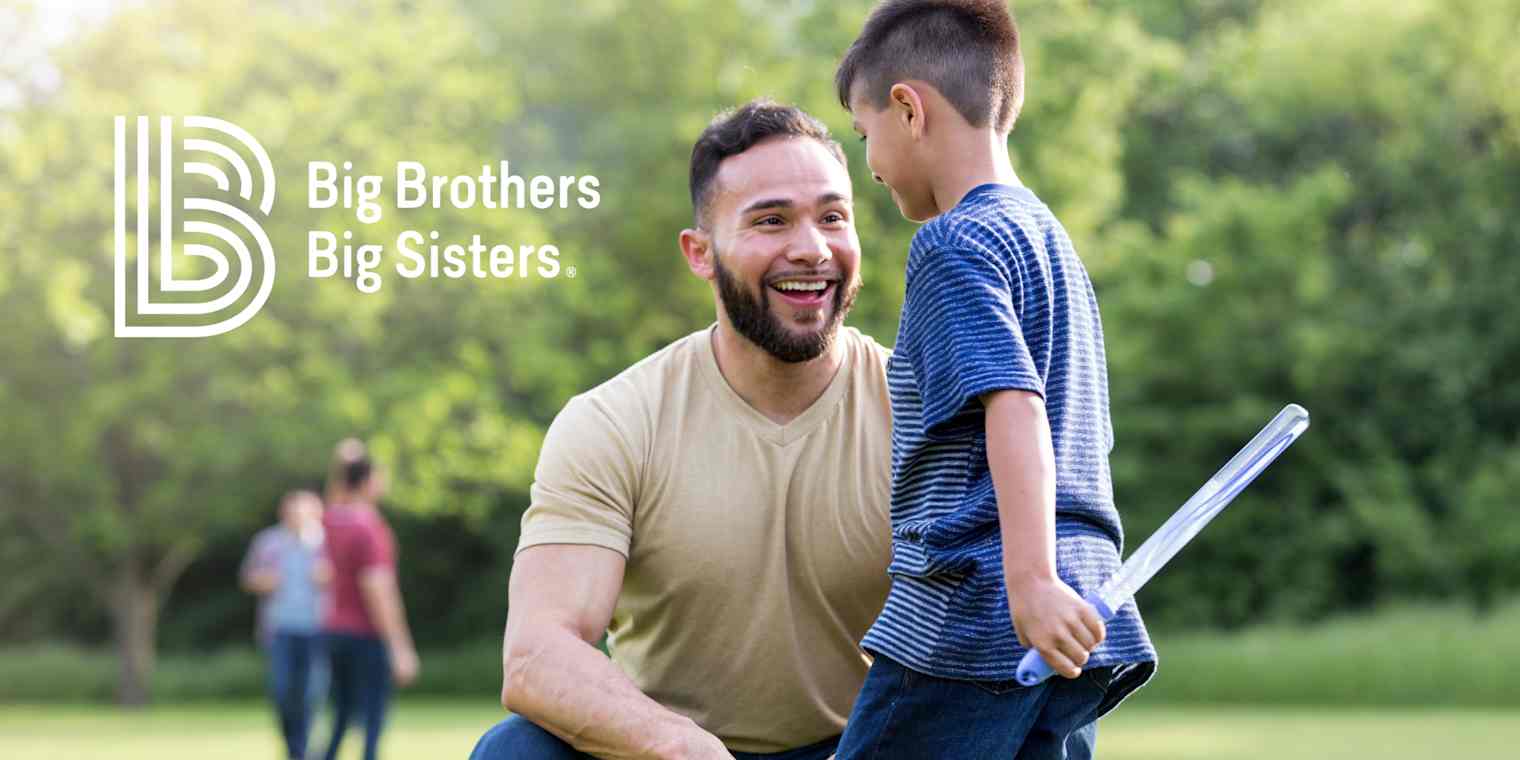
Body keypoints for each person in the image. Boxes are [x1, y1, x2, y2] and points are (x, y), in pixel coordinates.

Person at [469, 100, 894, 760]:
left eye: (833, 218)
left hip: (860, 747)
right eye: (771, 220)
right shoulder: (614, 423)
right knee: (516, 753)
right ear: (700, 253)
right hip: (666, 750)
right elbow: (536, 654)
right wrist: (677, 745)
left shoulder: (920, 412)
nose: (811, 249)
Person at [830, 2, 1157, 758]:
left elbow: (1017, 406)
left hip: (979, 610)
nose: (868, 163)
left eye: (863, 132)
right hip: (1084, 607)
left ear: (908, 109)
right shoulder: (1049, 240)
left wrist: (1030, 580)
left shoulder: (951, 244)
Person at [320, 441, 420, 760]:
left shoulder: (331, 521)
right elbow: (378, 589)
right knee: (374, 719)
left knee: (340, 717)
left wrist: (341, 464)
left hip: (334, 630)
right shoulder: (370, 528)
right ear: (367, 481)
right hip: (366, 633)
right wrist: (399, 646)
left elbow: (334, 496)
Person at [241, 490, 328, 760]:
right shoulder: (268, 542)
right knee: (282, 693)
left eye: (302, 514)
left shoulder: (327, 543)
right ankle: (294, 749)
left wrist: (328, 577)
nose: (297, 519)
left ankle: (305, 751)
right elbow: (248, 577)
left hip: (318, 629)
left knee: (311, 694)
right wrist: (263, 580)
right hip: (279, 630)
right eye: (292, 514)